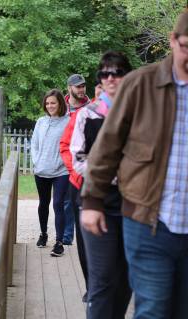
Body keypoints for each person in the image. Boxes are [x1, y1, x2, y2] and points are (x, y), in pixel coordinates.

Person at [82, 10, 188, 319]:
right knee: (153, 310)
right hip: (147, 221)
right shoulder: (141, 84)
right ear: (172, 41)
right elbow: (108, 145)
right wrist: (91, 200)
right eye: (186, 46)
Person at [71, 51, 132, 319]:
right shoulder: (89, 115)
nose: (111, 78)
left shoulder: (140, 113)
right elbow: (78, 159)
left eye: (117, 72)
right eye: (105, 73)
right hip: (99, 203)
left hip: (135, 207)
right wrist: (114, 174)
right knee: (102, 279)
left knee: (126, 281)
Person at [59, 74, 90, 300]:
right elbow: (65, 145)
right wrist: (74, 170)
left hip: (108, 185)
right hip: (76, 179)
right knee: (64, 208)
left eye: (84, 86)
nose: (82, 89)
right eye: (77, 86)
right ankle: (91, 285)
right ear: (70, 88)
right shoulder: (67, 110)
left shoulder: (93, 109)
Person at [31, 89, 70, 257]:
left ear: (60, 103)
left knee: (58, 204)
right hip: (41, 170)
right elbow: (34, 144)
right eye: (47, 103)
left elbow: (71, 146)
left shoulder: (69, 122)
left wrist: (63, 163)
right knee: (43, 203)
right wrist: (36, 162)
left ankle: (59, 242)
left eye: (53, 102)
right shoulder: (40, 122)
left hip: (61, 171)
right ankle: (43, 234)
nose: (50, 106)